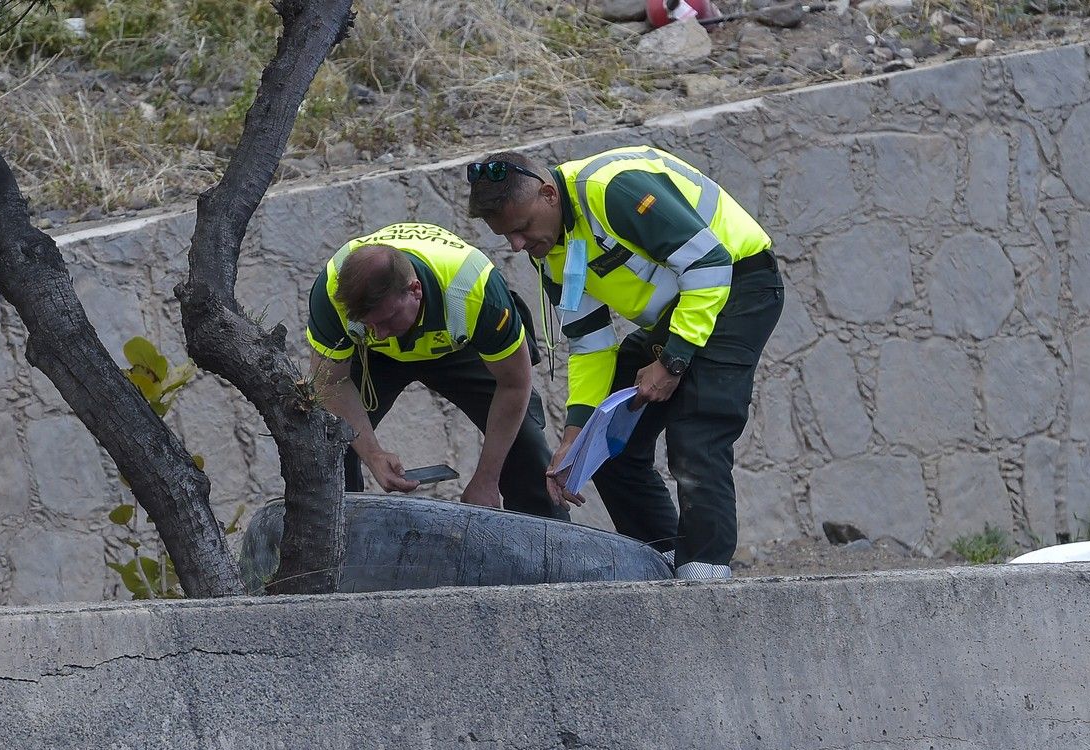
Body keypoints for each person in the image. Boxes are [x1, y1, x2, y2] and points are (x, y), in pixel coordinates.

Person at [466, 146, 784, 578]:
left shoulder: (611, 190)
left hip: (739, 284)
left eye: (521, 228)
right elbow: (590, 344)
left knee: (697, 432)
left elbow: (710, 265)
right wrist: (575, 437)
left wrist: (672, 361)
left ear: (547, 194)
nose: (518, 245)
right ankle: (663, 561)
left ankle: (706, 575)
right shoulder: (552, 248)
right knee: (604, 444)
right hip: (681, 313)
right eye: (507, 237)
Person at [305, 222, 567, 520]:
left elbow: (514, 385)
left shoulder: (475, 290)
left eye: (388, 319)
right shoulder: (331, 291)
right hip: (372, 358)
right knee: (328, 439)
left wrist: (486, 479)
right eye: (369, 323)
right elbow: (329, 384)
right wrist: (373, 455)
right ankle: (336, 542)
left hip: (456, 345)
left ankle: (547, 547)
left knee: (525, 443)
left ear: (414, 290)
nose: (380, 333)